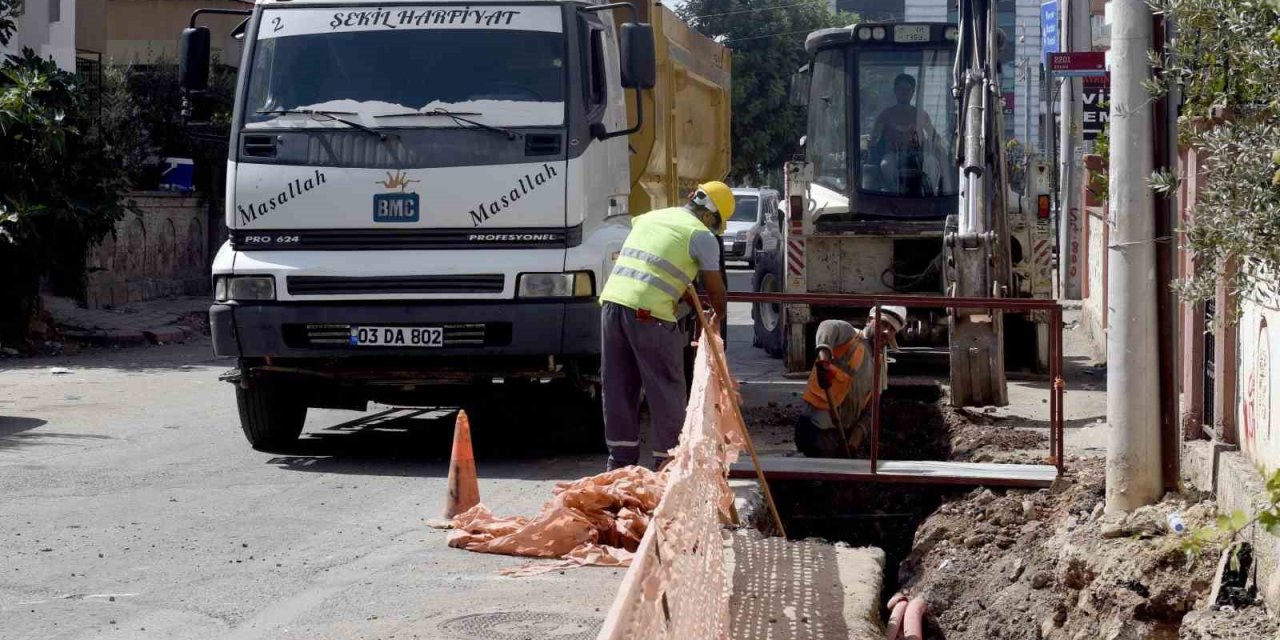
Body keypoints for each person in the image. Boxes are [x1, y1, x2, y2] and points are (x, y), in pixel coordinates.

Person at [598, 182, 733, 470]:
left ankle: (620, 464)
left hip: (611, 305)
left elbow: (654, 263)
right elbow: (716, 288)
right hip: (649, 315)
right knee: (666, 387)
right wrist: (717, 317)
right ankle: (667, 465)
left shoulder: (651, 217)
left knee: (619, 386)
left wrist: (680, 289)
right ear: (711, 217)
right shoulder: (701, 236)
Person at [794, 306, 906, 459]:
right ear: (870, 320)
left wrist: (853, 443)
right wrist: (824, 361)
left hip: (840, 437)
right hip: (817, 426)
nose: (886, 331)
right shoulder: (851, 336)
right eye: (884, 324)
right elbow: (827, 326)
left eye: (892, 329)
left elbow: (870, 411)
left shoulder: (878, 365)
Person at [869, 74, 937, 194]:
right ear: (895, 91)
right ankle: (897, 194)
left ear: (913, 91)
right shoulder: (886, 115)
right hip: (893, 155)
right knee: (885, 164)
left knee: (932, 163)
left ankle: (929, 194)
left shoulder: (921, 115)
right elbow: (874, 138)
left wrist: (939, 145)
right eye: (901, 89)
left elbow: (933, 136)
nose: (904, 92)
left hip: (918, 155)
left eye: (908, 89)